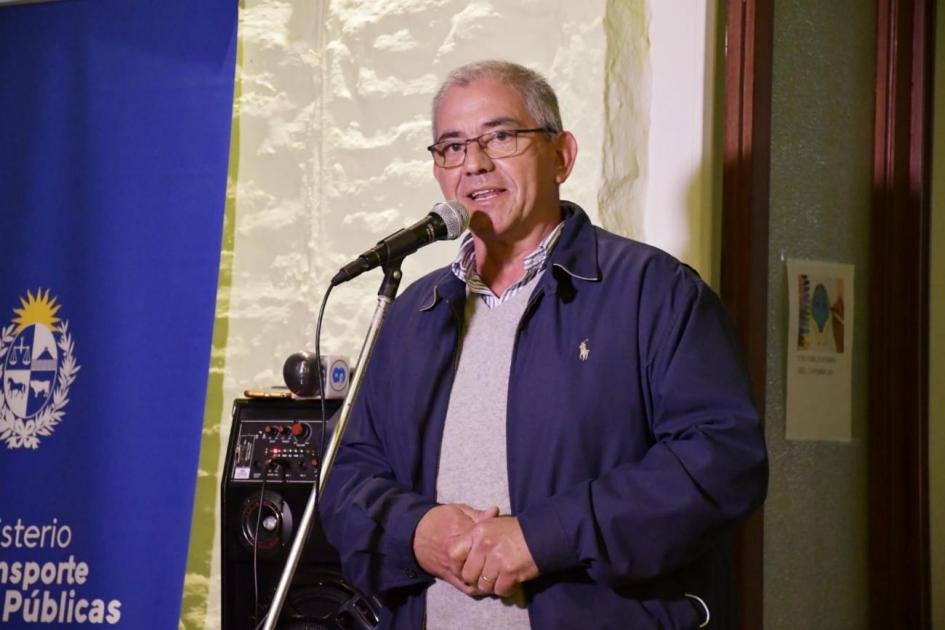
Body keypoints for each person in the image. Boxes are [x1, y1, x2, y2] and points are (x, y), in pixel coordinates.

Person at [319, 60, 768, 629]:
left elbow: (722, 461)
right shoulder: (411, 315)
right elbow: (344, 476)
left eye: (500, 137)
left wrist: (543, 537)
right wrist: (416, 531)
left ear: (562, 156)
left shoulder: (653, 292)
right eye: (452, 147)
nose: (475, 163)